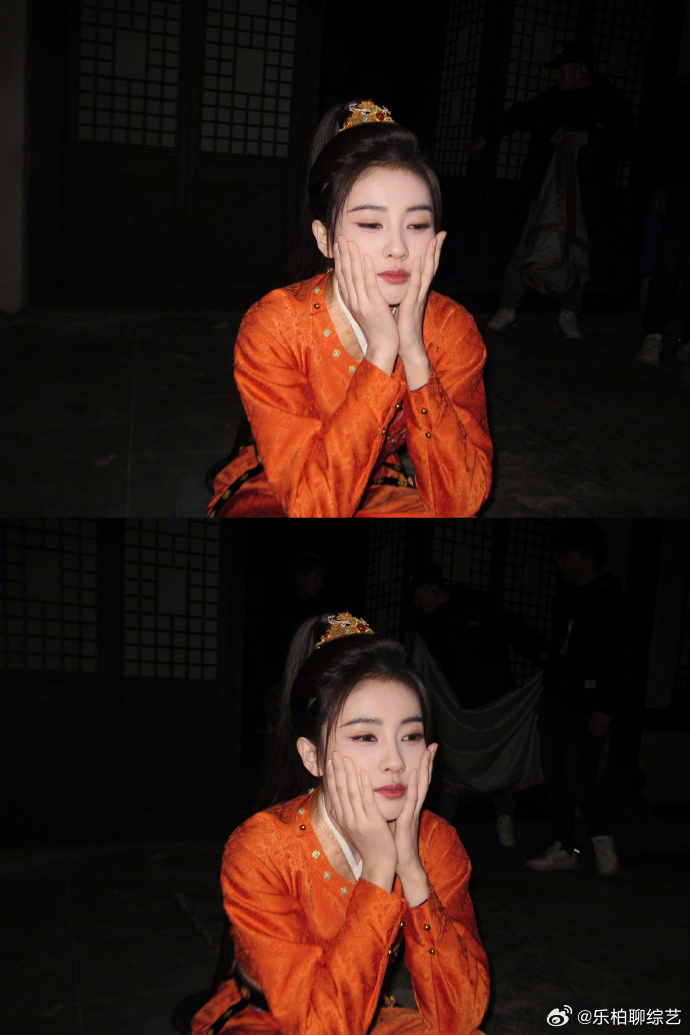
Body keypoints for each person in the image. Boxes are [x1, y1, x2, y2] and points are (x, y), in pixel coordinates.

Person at [191, 612, 490, 1035]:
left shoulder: (434, 841)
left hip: (363, 1009)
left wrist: (411, 869)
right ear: (312, 755)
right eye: (366, 737)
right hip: (264, 1021)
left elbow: (459, 1017)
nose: (395, 762)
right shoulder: (263, 848)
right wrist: (379, 870)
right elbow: (317, 1027)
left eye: (410, 736)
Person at [208, 99, 492, 518]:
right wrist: (381, 353)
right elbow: (312, 506)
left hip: (379, 482)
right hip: (280, 486)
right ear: (324, 238)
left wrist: (414, 354)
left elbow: (460, 501)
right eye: (371, 224)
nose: (398, 248)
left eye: (417, 225)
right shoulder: (277, 325)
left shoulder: (451, 328)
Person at [468, 41, 634, 340]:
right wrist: (486, 137)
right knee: (525, 245)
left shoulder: (610, 101)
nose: (557, 76)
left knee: (575, 251)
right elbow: (518, 115)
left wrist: (591, 139)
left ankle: (569, 311)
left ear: (581, 71)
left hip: (584, 195)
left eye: (563, 70)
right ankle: (508, 306)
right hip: (544, 191)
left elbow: (628, 141)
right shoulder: (552, 100)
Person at [410, 564, 548, 848]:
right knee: (450, 766)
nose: (417, 603)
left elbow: (514, 628)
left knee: (498, 759)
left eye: (419, 595)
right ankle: (439, 834)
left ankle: (504, 819)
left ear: (433, 589)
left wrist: (544, 654)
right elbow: (418, 663)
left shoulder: (477, 605)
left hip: (495, 700)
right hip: (454, 710)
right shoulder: (428, 626)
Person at [527, 522, 631, 877]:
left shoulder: (611, 598)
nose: (560, 563)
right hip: (558, 698)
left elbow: (619, 657)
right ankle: (563, 847)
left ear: (587, 559)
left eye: (566, 556)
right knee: (554, 775)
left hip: (589, 703)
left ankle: (602, 840)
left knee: (578, 774)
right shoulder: (565, 597)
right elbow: (561, 650)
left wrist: (606, 707)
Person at [635, 73, 690, 367]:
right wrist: (658, 185)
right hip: (680, 189)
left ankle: (686, 340)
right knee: (669, 264)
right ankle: (654, 334)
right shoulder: (682, 92)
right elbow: (664, 140)